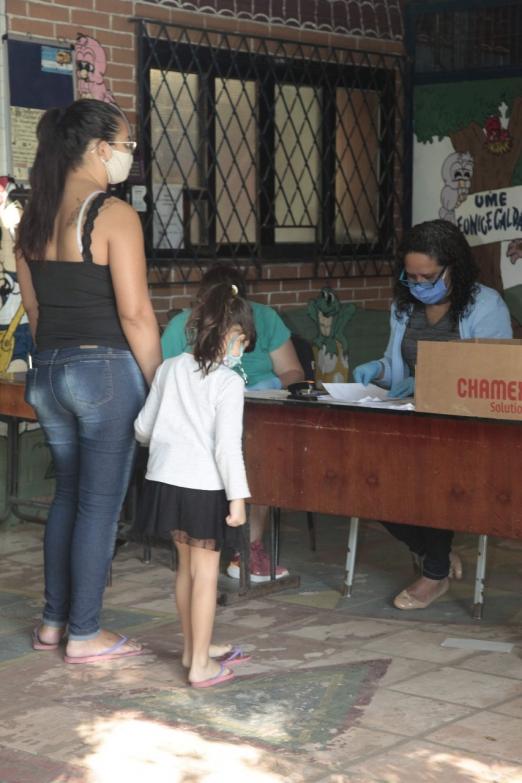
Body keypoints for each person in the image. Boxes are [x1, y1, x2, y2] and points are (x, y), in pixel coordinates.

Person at [15, 99, 162, 662]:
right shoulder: (113, 215)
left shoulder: (31, 217)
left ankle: (54, 622)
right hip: (103, 374)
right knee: (99, 505)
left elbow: (34, 313)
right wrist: (158, 386)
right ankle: (85, 631)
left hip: (48, 372)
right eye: (126, 146)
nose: (128, 156)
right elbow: (136, 315)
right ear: (100, 149)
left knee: (67, 498)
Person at [353, 219, 512, 610]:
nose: (419, 284)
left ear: (453, 267)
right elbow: (397, 369)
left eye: (428, 276)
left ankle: (434, 574)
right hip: (409, 418)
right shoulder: (404, 306)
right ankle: (433, 553)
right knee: (363, 478)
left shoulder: (485, 305)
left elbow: (491, 374)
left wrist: (429, 384)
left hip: (467, 427)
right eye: (411, 277)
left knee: (432, 471)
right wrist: (377, 370)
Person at [134, 282, 255, 687]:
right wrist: (238, 499)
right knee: (207, 574)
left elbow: (142, 429)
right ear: (229, 335)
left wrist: (172, 435)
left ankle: (192, 649)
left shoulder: (169, 369)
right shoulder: (228, 383)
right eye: (241, 341)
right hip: (205, 486)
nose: (241, 351)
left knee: (185, 570)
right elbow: (227, 448)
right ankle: (201, 665)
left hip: (166, 482)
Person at [161, 264, 305, 582]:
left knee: (261, 458)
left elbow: (291, 372)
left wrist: (272, 393)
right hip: (198, 425)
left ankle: (248, 549)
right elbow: (164, 381)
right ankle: (201, 543)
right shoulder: (179, 327)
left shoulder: (265, 319)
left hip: (258, 415)